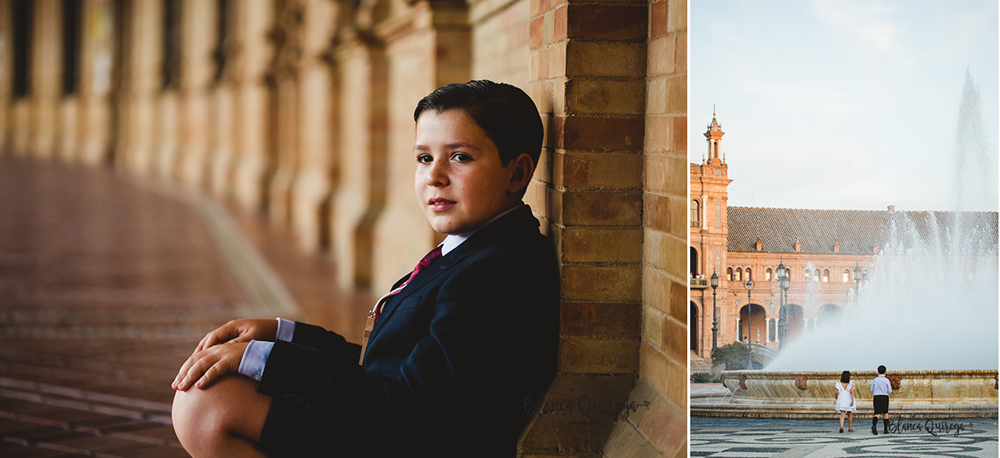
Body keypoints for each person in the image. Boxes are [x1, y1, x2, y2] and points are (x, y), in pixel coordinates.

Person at [169, 80, 559, 458]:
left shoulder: (494, 273)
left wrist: (266, 360)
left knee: (208, 407)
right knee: (213, 395)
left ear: (517, 173)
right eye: (424, 158)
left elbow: (412, 408)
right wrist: (282, 333)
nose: (435, 176)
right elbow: (389, 365)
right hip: (396, 424)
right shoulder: (479, 249)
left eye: (460, 157)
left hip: (410, 439)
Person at [871, 364, 892, 435]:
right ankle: (885, 429)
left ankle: (874, 425)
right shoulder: (886, 380)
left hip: (877, 397)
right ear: (885, 372)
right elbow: (889, 391)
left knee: (877, 413)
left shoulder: (875, 380)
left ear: (877, 372)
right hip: (884, 397)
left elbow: (872, 390)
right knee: (885, 413)